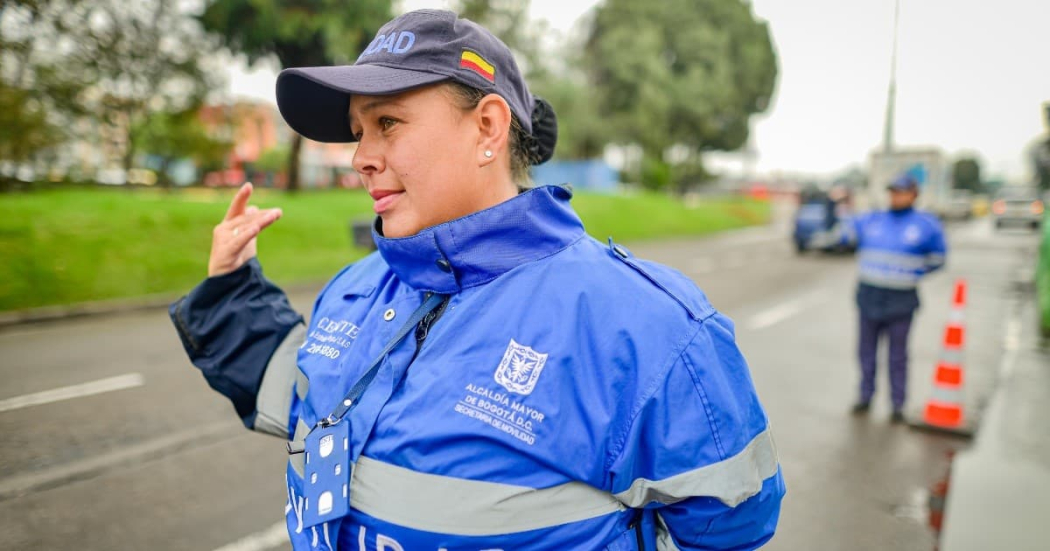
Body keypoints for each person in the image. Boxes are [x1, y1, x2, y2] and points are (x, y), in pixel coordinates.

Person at [170, 9, 784, 550]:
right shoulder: (357, 286)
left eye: (388, 123)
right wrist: (232, 293)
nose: (361, 156)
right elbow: (300, 401)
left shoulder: (644, 326)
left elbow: (731, 521)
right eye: (359, 132)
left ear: (488, 128)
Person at [846, 174, 947, 422]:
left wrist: (912, 272)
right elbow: (845, 232)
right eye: (892, 192)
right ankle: (865, 396)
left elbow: (938, 258)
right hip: (869, 296)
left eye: (901, 192)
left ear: (913, 194)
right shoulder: (873, 219)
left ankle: (898, 405)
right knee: (866, 352)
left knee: (898, 356)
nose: (895, 196)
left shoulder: (926, 224)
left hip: (901, 299)